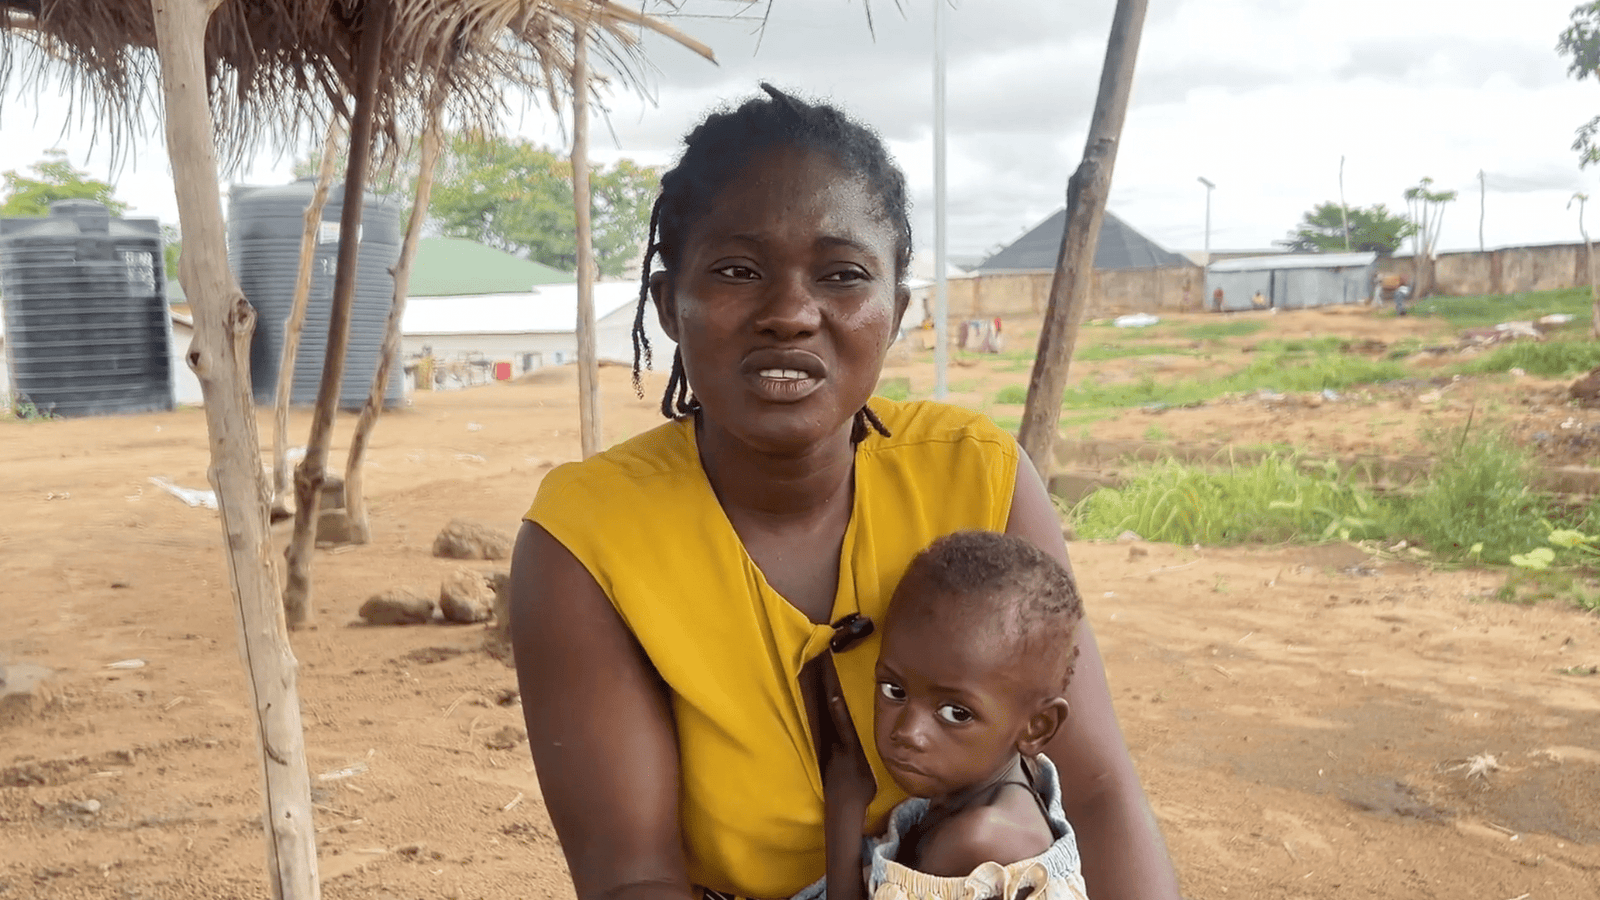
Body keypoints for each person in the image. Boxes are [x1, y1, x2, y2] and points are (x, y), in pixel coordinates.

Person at [507, 84, 1180, 900]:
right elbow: (632, 876)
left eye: (841, 274)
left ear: (894, 312)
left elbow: (1100, 792)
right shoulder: (589, 537)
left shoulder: (976, 475)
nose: (790, 313)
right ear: (667, 308)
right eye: (737, 269)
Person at [814, 531, 1089, 900]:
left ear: (1036, 727)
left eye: (956, 713)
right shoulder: (1005, 781)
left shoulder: (974, 844)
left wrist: (844, 807)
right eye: (894, 691)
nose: (908, 732)